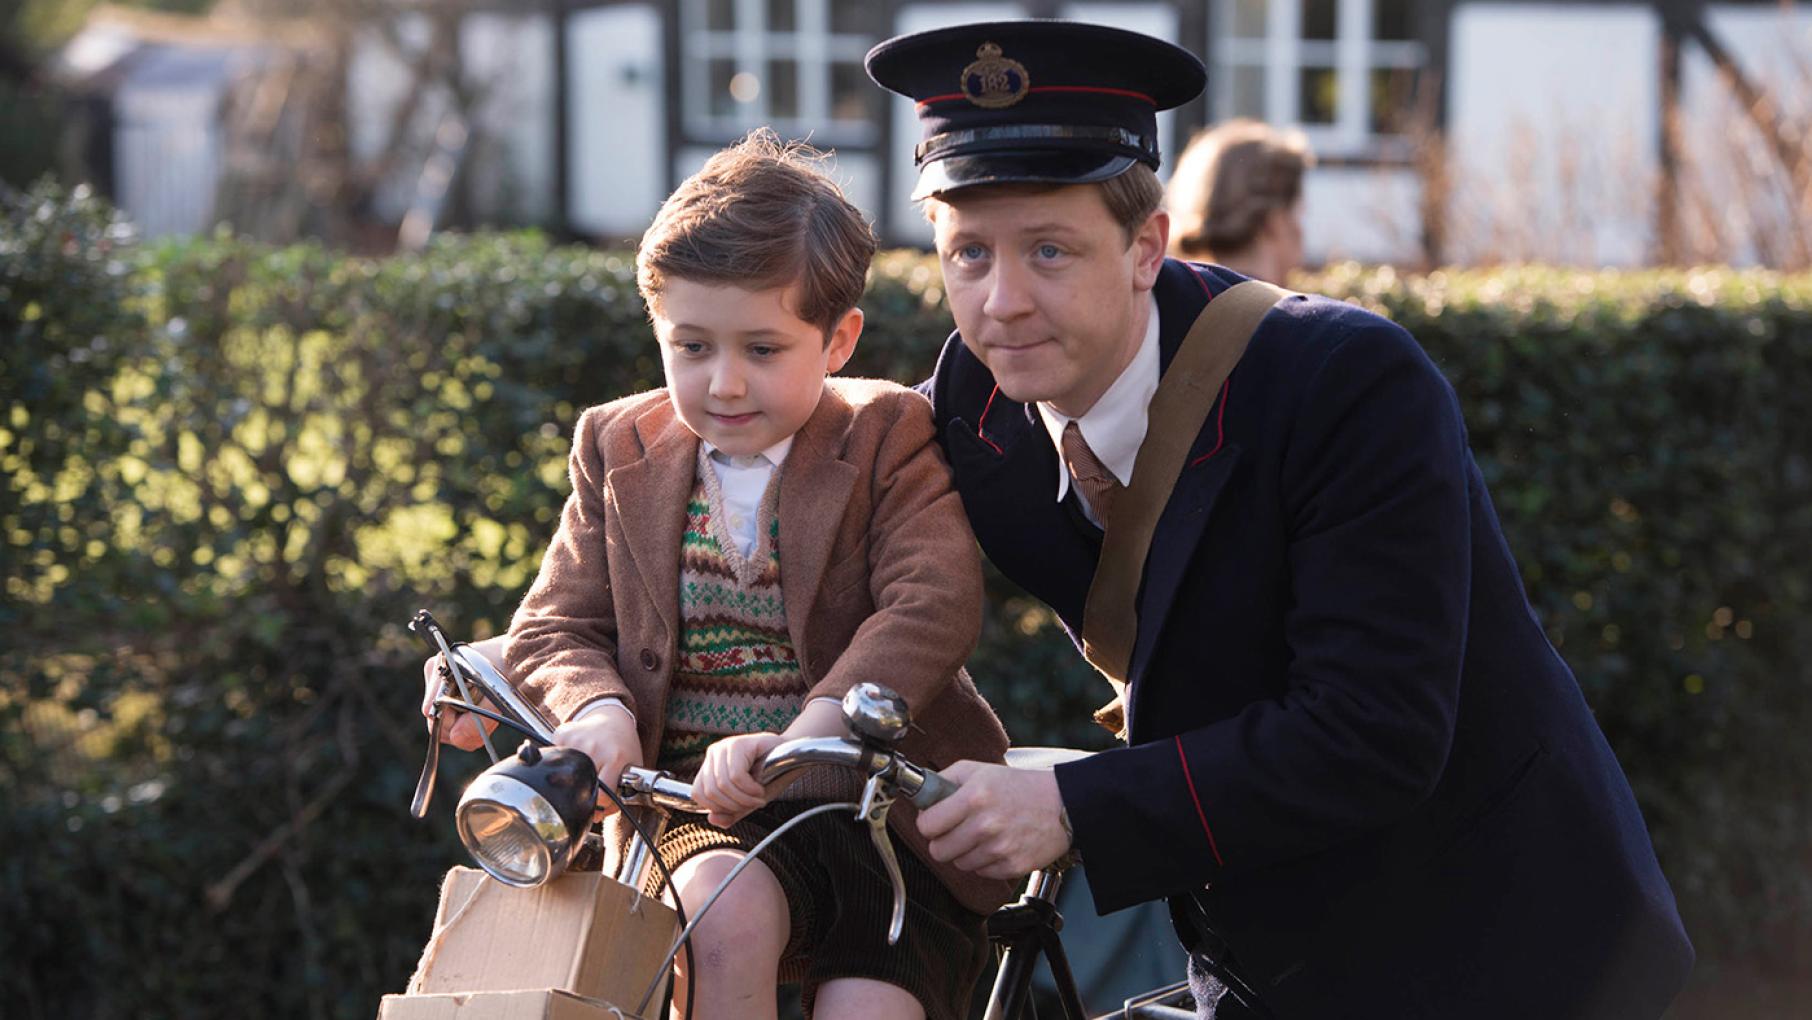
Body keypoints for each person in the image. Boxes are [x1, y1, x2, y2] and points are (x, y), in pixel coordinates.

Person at [865, 20, 1694, 1019]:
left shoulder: (1344, 382)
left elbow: (1374, 732)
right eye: (967, 253)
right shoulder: (973, 408)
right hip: (1264, 961)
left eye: (1050, 248)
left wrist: (1072, 807)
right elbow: (792, 457)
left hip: (1504, 954)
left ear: (1145, 248)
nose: (1001, 301)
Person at [422, 129, 1011, 1020]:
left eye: (763, 349)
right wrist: (598, 710)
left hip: (880, 822)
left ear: (838, 339)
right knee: (719, 916)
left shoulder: (885, 434)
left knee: (870, 1009)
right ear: (657, 330)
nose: (724, 383)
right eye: (691, 346)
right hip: (703, 817)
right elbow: (558, 622)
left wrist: (811, 730)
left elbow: (931, 601)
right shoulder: (618, 446)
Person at [1165, 119, 1312, 283]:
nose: (1302, 232)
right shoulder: (1281, 307)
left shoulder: (1169, 301)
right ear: (1276, 220)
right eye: (1299, 214)